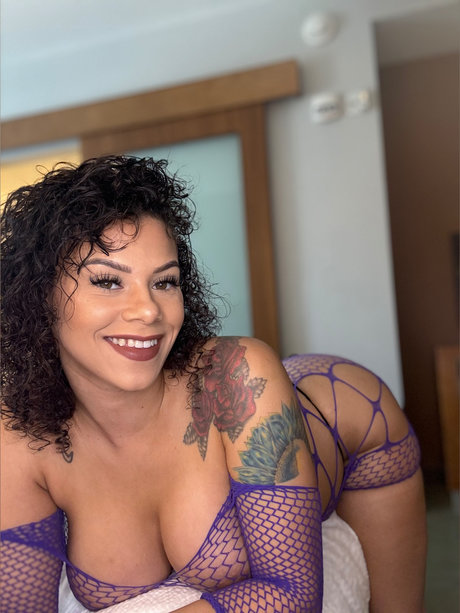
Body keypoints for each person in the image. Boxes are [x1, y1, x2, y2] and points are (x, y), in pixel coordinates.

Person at [1, 156, 426, 613]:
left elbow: (292, 594)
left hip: (353, 422)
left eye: (165, 283)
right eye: (108, 281)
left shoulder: (240, 374)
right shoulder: (18, 432)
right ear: (39, 294)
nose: (148, 310)